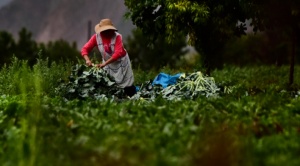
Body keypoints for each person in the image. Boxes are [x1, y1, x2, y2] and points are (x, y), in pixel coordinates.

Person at [81, 18, 136, 97]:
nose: (108, 33)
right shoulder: (96, 38)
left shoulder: (117, 37)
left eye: (109, 30)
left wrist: (104, 64)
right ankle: (116, 98)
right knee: (110, 83)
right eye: (105, 31)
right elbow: (85, 49)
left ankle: (133, 96)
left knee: (127, 83)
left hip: (121, 62)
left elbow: (118, 53)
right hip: (108, 63)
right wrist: (87, 60)